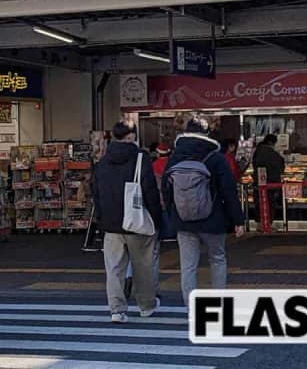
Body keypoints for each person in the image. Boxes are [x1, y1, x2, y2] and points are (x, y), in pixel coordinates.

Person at [163, 115, 246, 306]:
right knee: (217, 259)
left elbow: (166, 189)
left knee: (188, 266)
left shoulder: (175, 157)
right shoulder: (216, 158)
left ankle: (191, 307)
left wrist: (173, 212)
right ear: (207, 133)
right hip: (213, 219)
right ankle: (219, 303)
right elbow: (228, 191)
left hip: (183, 221)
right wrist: (238, 220)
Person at [93, 121, 162, 322]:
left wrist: (101, 220)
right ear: (132, 137)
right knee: (143, 266)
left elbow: (96, 194)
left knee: (114, 268)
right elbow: (150, 191)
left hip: (111, 224)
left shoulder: (102, 162)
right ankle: (146, 305)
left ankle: (116, 309)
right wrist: (156, 219)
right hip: (137, 222)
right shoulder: (141, 158)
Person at [124, 142, 171, 301]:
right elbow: (155, 197)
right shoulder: (156, 171)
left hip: (131, 216)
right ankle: (152, 289)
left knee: (131, 251)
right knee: (152, 254)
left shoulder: (125, 171)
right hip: (150, 216)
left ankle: (128, 276)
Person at [252, 134, 285, 225]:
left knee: (259, 203)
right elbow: (280, 166)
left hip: (259, 181)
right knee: (269, 204)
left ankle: (260, 223)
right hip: (271, 183)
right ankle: (267, 224)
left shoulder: (258, 151)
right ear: (271, 143)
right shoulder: (271, 153)